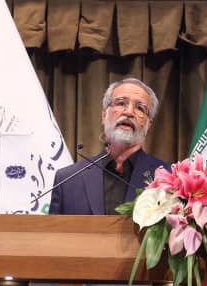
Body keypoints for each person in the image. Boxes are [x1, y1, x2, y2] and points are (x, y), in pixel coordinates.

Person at [49, 77, 168, 215]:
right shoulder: (67, 180)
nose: (129, 112)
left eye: (140, 108)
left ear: (148, 124)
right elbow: (53, 229)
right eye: (121, 103)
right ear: (104, 114)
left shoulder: (169, 178)